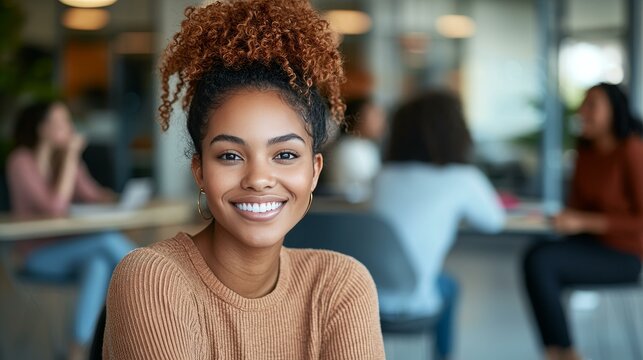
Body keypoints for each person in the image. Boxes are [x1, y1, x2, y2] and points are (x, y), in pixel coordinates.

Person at [102, 1, 385, 359]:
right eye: (230, 156)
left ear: (314, 171)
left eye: (284, 155)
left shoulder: (340, 285)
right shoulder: (152, 279)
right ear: (200, 171)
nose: (259, 179)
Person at [372, 89, 505, 360]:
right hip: (417, 302)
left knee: (437, 280)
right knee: (449, 285)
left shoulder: (382, 177)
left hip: (368, 298)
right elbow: (494, 222)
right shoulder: (463, 178)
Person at [6, 101, 135, 360]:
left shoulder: (64, 160)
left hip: (70, 253)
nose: (69, 129)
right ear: (43, 129)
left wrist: (117, 198)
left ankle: (77, 350)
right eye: (62, 123)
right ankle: (157, 278)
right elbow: (55, 207)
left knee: (98, 263)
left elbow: (92, 194)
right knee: (106, 239)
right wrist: (71, 157)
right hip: (35, 257)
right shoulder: (21, 161)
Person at [523, 83, 643, 360]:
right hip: (593, 245)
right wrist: (561, 218)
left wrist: (584, 222)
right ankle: (559, 350)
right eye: (583, 104)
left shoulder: (632, 151)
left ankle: (564, 353)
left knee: (543, 262)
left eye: (592, 105)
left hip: (628, 254)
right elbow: (576, 208)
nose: (582, 112)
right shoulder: (585, 153)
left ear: (614, 111)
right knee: (536, 254)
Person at [326, 97, 386, 202]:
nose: (380, 121)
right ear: (356, 118)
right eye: (374, 116)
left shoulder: (367, 146)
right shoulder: (347, 149)